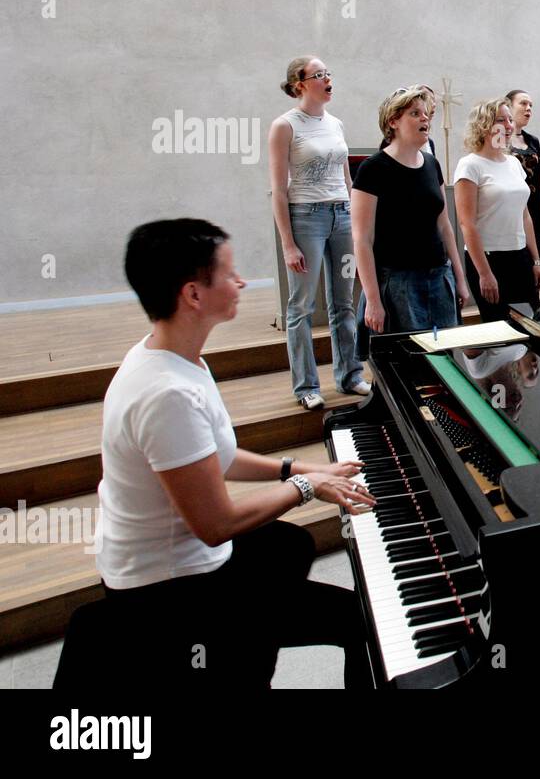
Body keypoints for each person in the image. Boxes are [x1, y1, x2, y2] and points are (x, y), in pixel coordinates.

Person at [93, 219, 374, 687]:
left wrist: (301, 467)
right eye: (229, 273)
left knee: (290, 544)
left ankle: (247, 656)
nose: (241, 281)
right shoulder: (166, 393)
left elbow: (219, 455)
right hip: (164, 589)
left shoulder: (174, 359)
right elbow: (215, 525)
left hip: (175, 558)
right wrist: (306, 486)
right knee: (354, 619)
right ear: (193, 295)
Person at [267, 55, 366, 411]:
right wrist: (288, 243)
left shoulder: (336, 124)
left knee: (344, 301)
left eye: (329, 73)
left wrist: (354, 216)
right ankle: (306, 385)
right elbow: (279, 189)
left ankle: (350, 374)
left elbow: (346, 176)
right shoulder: (285, 126)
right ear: (299, 84)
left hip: (341, 214)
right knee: (302, 306)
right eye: (319, 74)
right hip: (306, 216)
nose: (328, 79)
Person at [352, 87, 470, 351]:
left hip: (438, 277)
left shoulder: (431, 164)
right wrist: (372, 299)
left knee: (444, 358)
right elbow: (362, 239)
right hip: (398, 283)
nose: (425, 120)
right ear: (393, 121)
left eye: (426, 114)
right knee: (405, 362)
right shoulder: (373, 169)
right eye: (415, 114)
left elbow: (445, 225)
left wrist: (459, 279)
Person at [454, 99, 540, 322]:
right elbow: (467, 224)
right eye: (500, 120)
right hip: (489, 258)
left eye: (510, 120)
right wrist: (485, 273)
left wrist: (535, 261)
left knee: (531, 325)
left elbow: (524, 216)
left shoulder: (513, 163)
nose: (508, 126)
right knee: (499, 328)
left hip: (520, 255)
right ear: (484, 125)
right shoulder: (470, 165)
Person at [506, 90, 540, 254]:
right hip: (513, 208)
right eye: (523, 103)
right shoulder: (501, 141)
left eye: (531, 105)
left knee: (535, 258)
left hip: (534, 208)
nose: (528, 108)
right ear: (509, 106)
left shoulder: (533, 141)